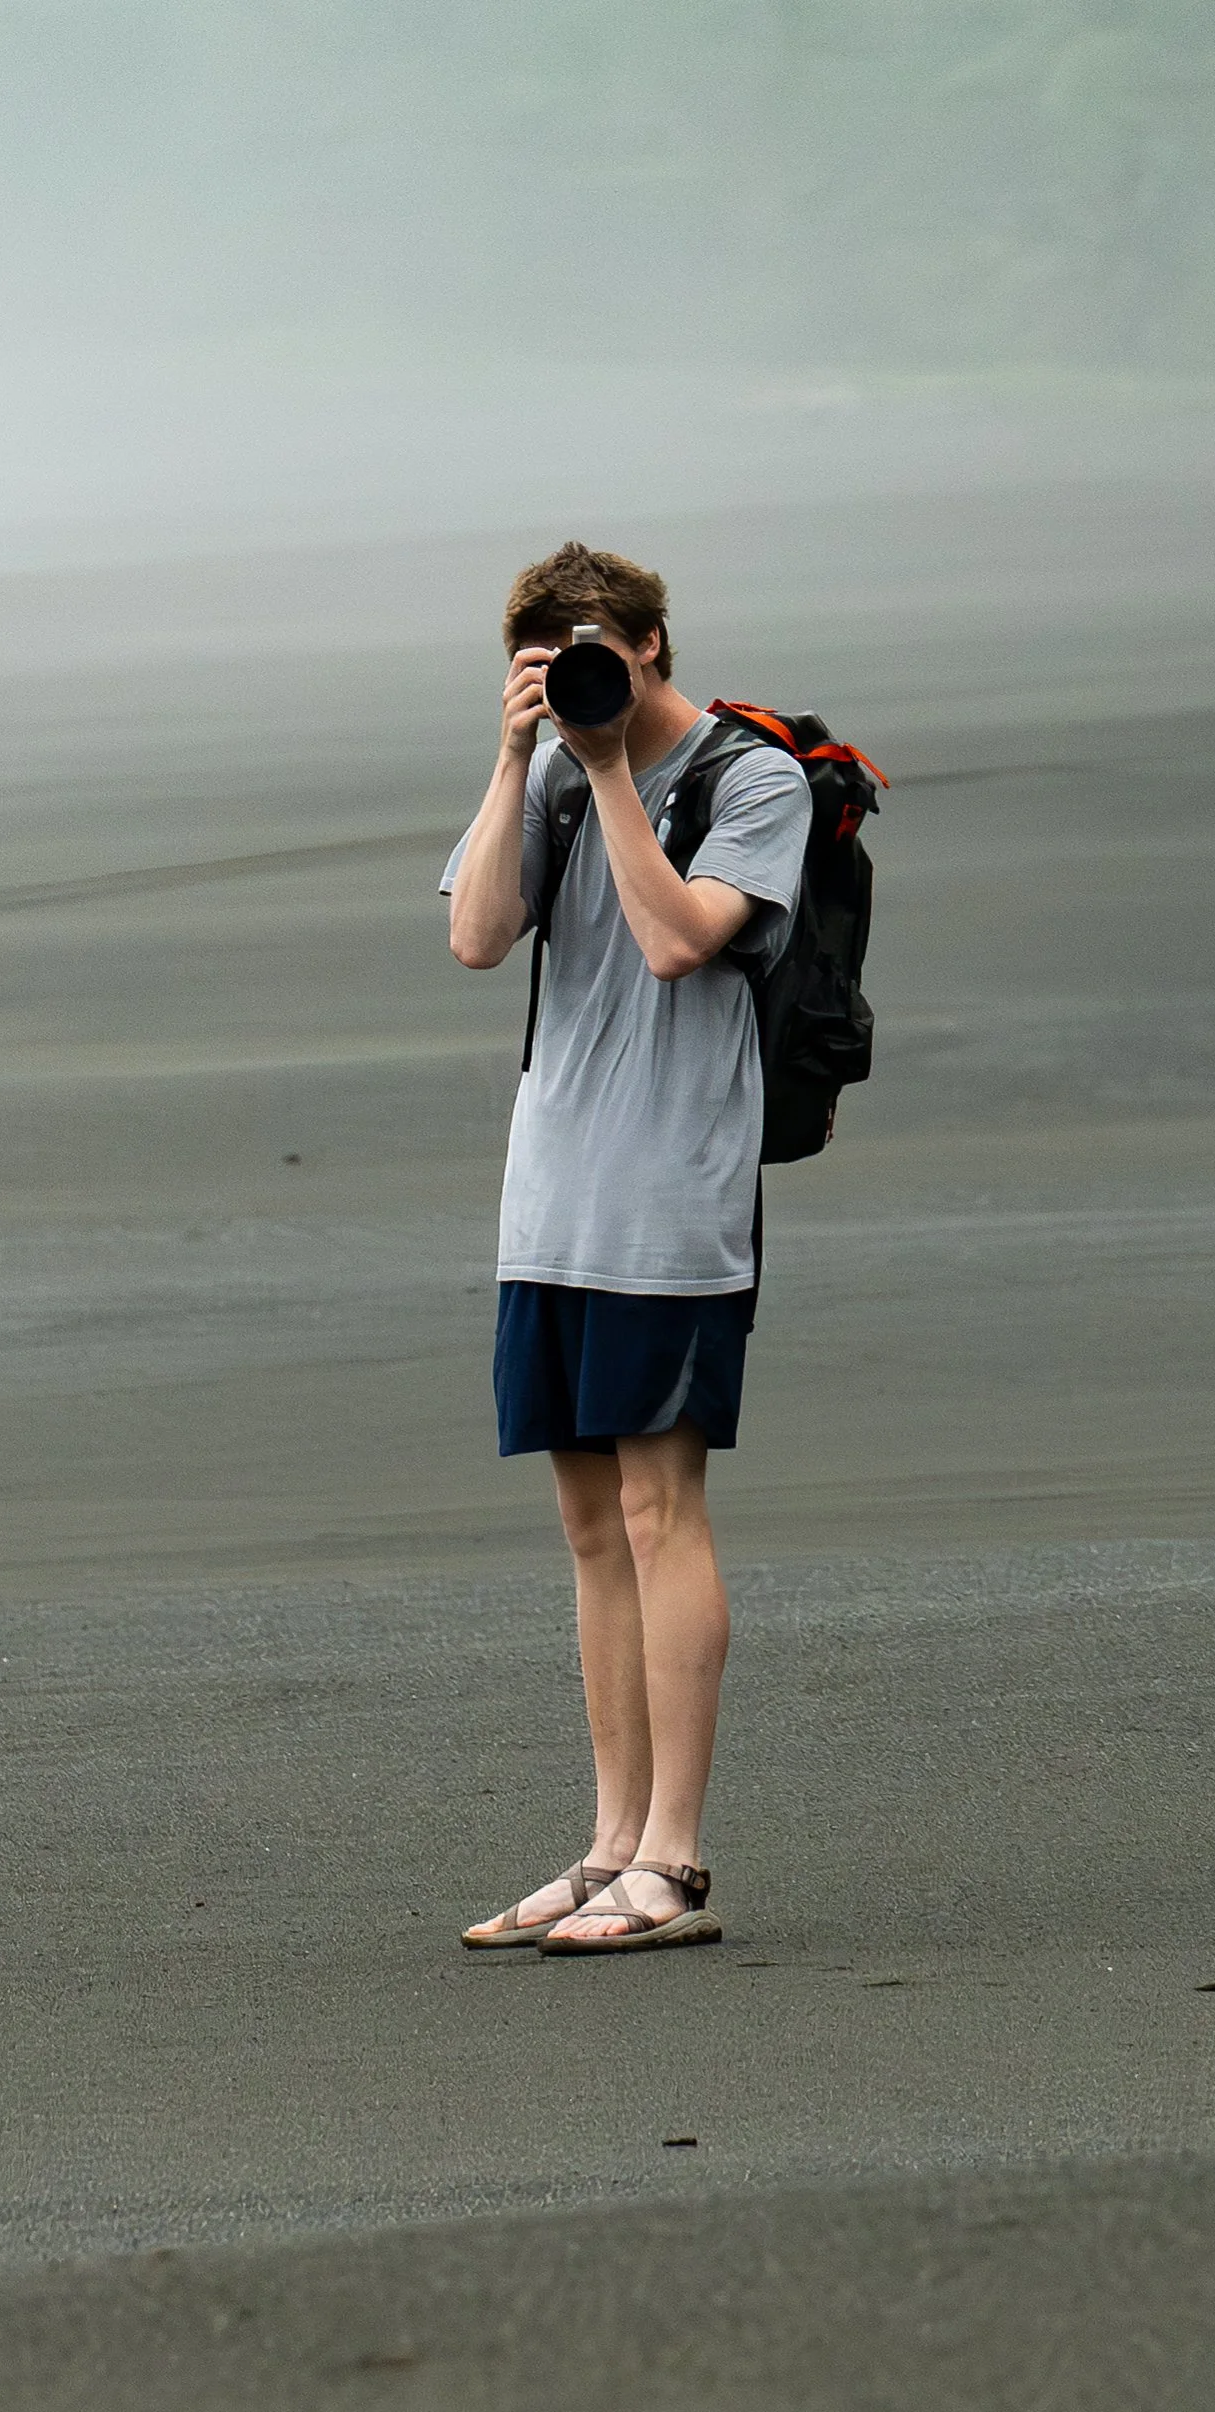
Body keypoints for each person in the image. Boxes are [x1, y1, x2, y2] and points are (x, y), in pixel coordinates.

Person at [441, 542, 809, 1953]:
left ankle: (677, 1856)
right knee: (590, 1528)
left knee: (664, 1515)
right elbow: (479, 939)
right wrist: (516, 754)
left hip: (672, 1197)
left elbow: (678, 943)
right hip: (554, 1193)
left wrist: (604, 772)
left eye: (604, 648)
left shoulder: (749, 781)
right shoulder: (537, 771)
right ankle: (607, 1842)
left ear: (654, 643)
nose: (589, 672)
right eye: (551, 653)